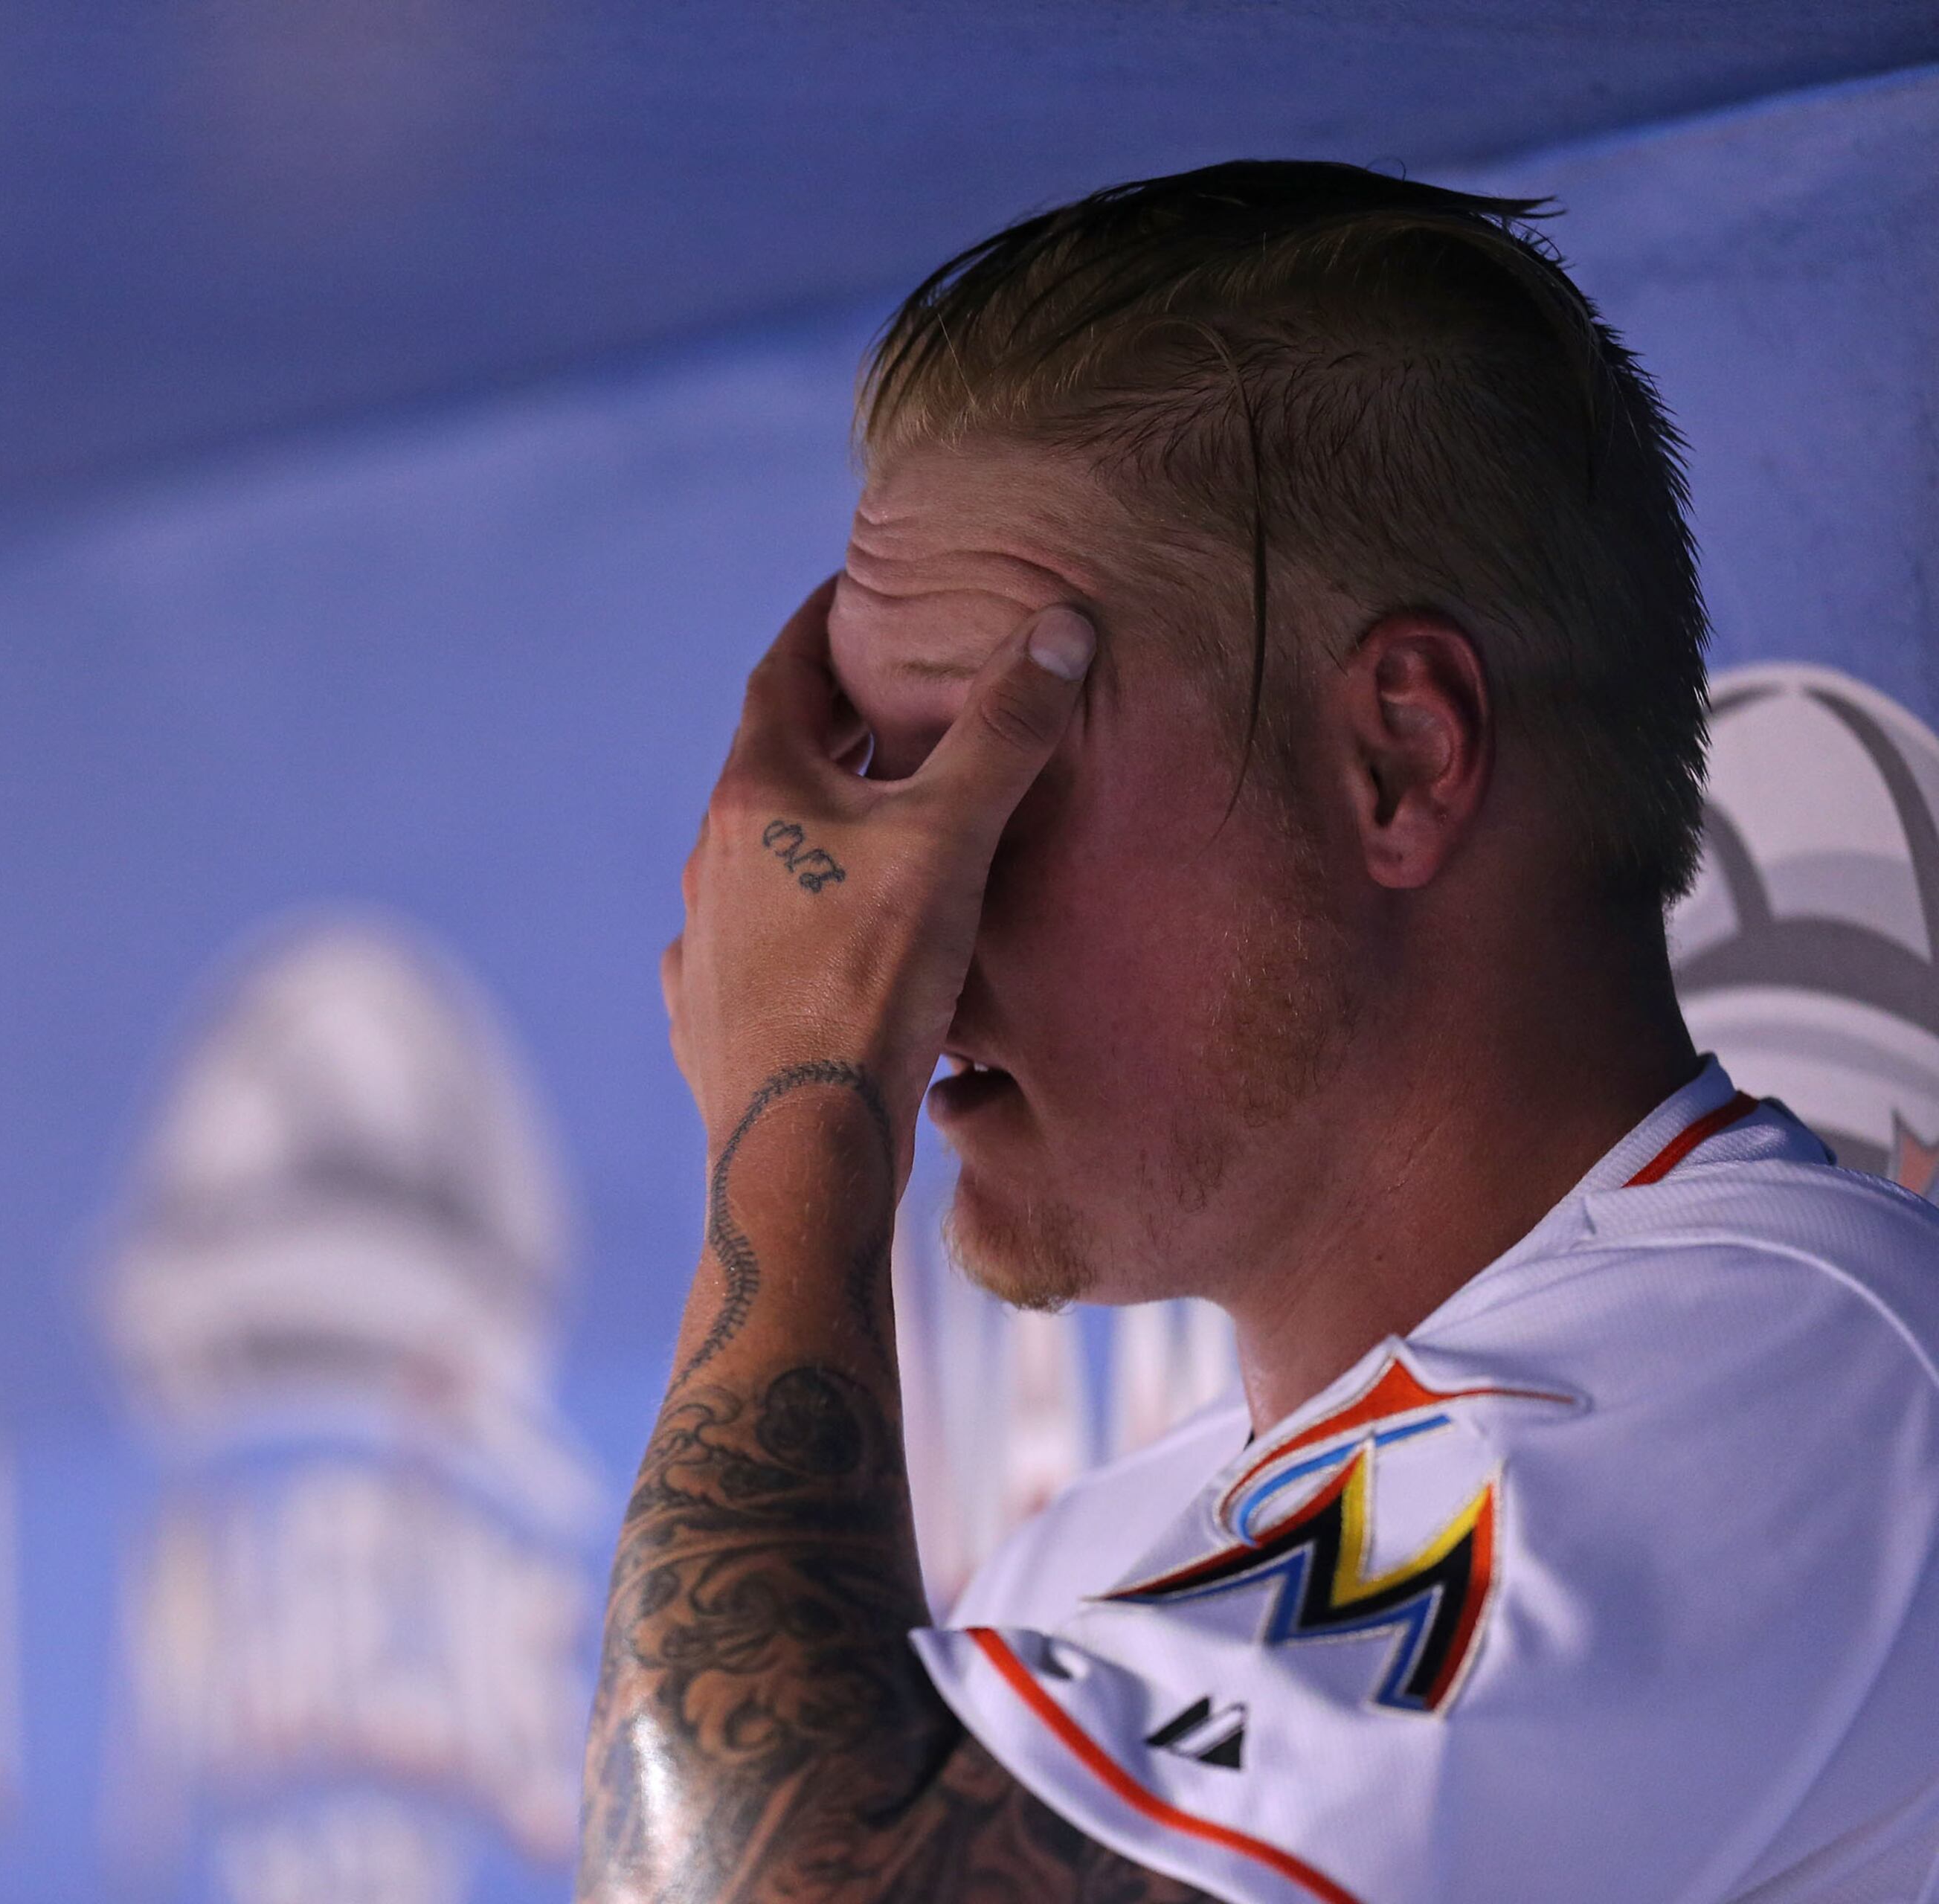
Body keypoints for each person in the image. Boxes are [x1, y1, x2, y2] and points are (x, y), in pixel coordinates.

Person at [576, 161, 1939, 1904]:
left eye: (988, 784)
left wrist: (797, 1112)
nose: (884, 916)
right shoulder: (1099, 1560)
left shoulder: (1781, 1376)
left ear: (1401, 759)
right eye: (871, 801)